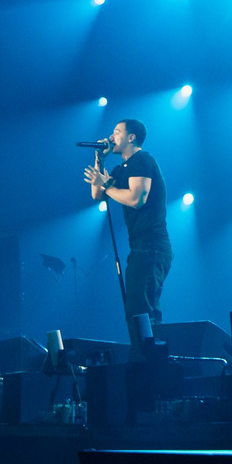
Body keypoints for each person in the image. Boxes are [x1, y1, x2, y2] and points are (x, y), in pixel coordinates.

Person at [85, 117, 171, 333]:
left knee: (143, 311)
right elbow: (98, 194)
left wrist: (107, 186)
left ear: (131, 137)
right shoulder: (121, 169)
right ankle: (147, 359)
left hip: (152, 246)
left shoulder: (142, 160)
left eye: (117, 131)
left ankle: (151, 361)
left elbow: (136, 199)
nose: (111, 137)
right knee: (136, 311)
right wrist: (100, 160)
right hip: (140, 247)